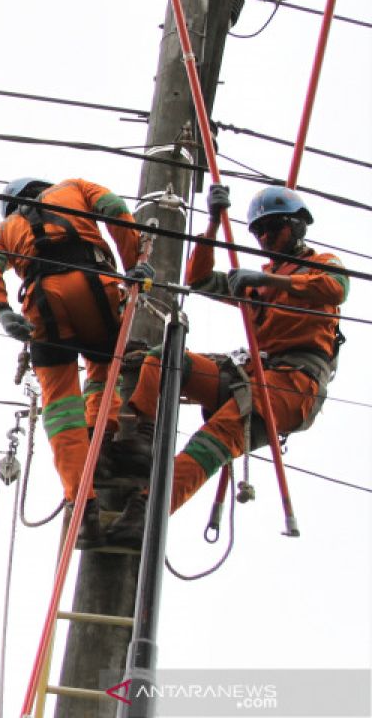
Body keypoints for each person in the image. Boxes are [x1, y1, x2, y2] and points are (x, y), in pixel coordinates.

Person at [107, 185, 347, 548]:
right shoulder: (254, 285)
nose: (264, 238)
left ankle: (147, 512)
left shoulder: (318, 267)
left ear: (297, 227)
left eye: (274, 228)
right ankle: (141, 441)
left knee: (216, 437)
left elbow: (336, 288)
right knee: (166, 358)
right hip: (254, 375)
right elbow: (199, 280)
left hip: (295, 385)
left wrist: (267, 279)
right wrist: (214, 223)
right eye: (258, 231)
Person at [0, 177, 149, 548]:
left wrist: (3, 311)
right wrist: (134, 264)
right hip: (93, 287)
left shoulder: (5, 228)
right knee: (104, 368)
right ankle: (100, 443)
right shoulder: (75, 188)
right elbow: (116, 208)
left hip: (43, 306)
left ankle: (82, 508)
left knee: (59, 406)